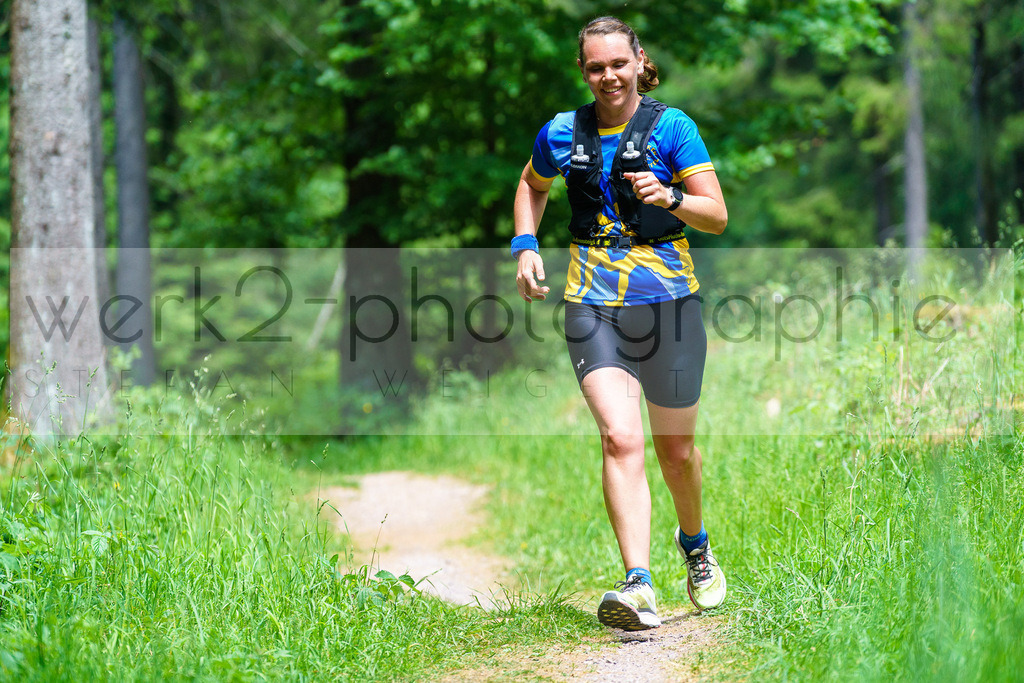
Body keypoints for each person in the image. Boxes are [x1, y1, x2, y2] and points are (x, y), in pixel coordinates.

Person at [511, 16, 728, 631]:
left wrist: (671, 197)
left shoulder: (673, 128)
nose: (608, 76)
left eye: (618, 64)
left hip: (671, 306)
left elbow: (717, 215)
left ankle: (695, 546)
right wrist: (525, 244)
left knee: (676, 451)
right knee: (620, 438)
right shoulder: (561, 132)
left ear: (638, 61)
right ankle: (638, 583)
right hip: (592, 305)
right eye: (595, 67)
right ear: (583, 71)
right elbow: (531, 185)